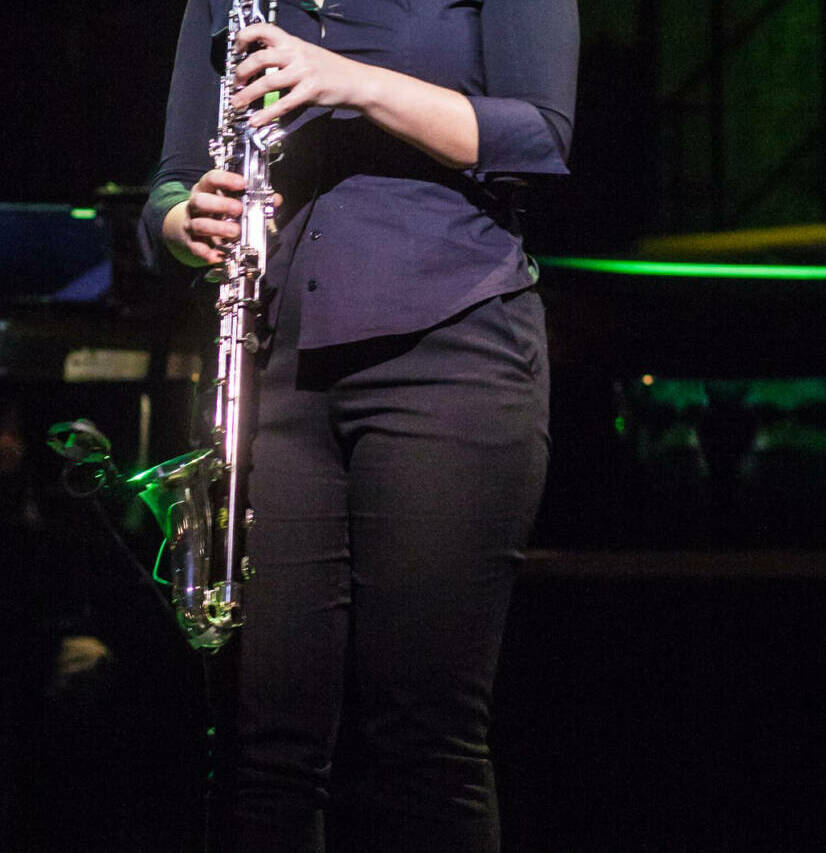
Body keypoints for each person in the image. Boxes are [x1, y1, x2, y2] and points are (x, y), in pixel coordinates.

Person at [139, 2, 578, 851]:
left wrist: (350, 81)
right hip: (278, 367)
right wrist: (180, 219)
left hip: (449, 352)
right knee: (261, 749)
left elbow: (541, 135)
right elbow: (170, 177)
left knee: (424, 743)